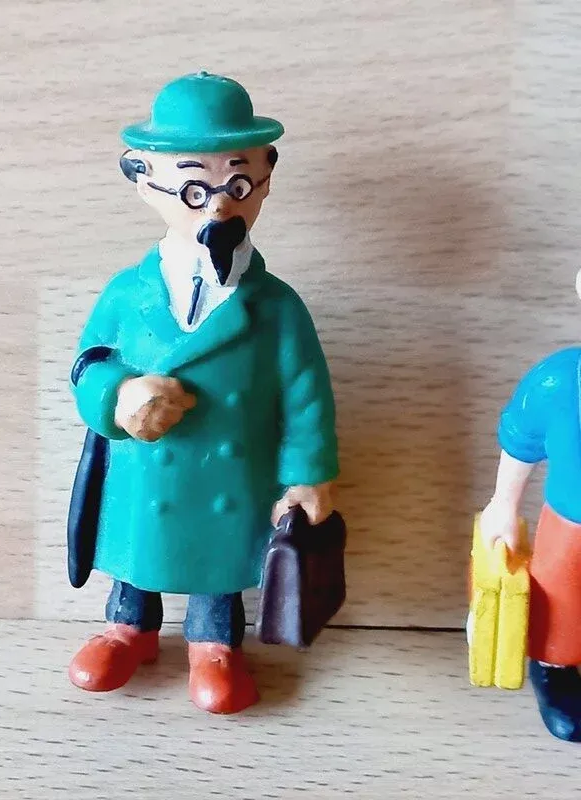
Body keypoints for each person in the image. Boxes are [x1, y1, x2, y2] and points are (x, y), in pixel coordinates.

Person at [67, 72, 339, 714]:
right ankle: (128, 629)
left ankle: (215, 643)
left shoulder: (277, 307)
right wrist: (118, 397)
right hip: (141, 473)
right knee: (137, 547)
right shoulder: (128, 293)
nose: (218, 208)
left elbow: (306, 394)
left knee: (219, 562)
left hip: (234, 475)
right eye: (194, 189)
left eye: (238, 186)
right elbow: (86, 364)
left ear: (266, 175)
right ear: (142, 179)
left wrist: (309, 476)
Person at [479, 268, 581, 741]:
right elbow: (521, 441)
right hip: (569, 524)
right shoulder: (558, 382)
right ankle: (555, 668)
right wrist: (503, 504)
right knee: (558, 596)